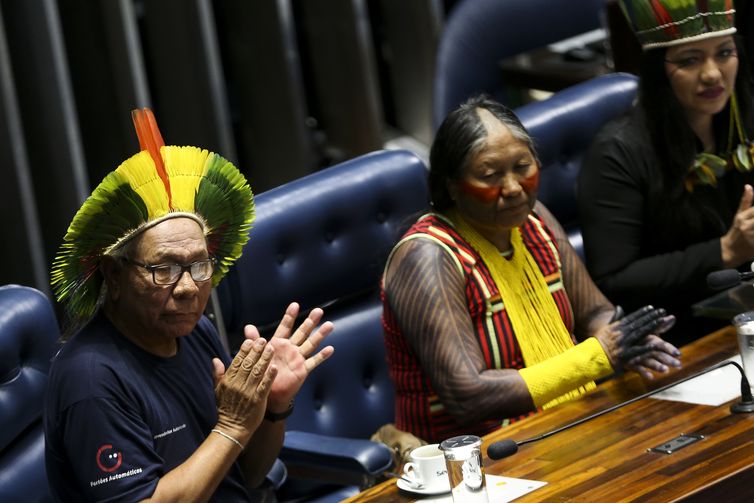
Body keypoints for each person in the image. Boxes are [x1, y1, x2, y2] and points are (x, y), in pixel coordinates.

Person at [44, 108, 334, 501]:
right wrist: (231, 425)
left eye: (199, 265)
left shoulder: (195, 330)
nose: (187, 288)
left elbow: (243, 475)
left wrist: (271, 409)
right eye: (163, 269)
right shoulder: (92, 381)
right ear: (114, 274)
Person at [381, 95, 681, 444]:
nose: (512, 188)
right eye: (490, 175)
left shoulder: (535, 220)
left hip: (564, 428)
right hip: (470, 462)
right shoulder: (427, 258)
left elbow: (595, 311)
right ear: (451, 185)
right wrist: (598, 356)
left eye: (522, 167)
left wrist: (630, 340)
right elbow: (468, 395)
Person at [578, 0, 754, 345]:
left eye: (724, 53)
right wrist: (725, 251)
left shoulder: (746, 115)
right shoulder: (616, 152)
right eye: (690, 60)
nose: (712, 74)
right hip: (678, 338)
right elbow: (614, 282)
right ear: (659, 70)